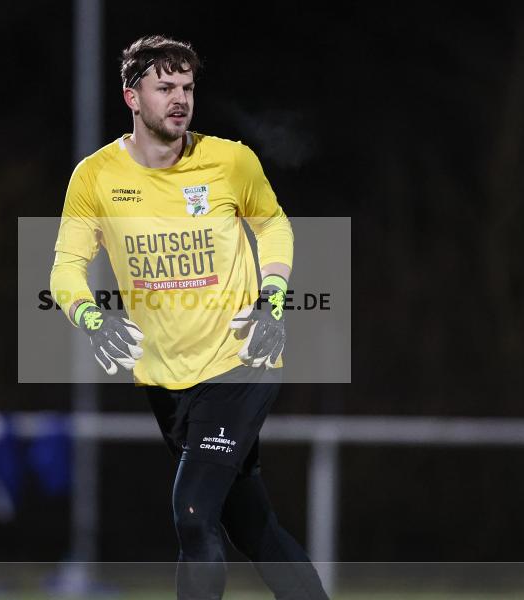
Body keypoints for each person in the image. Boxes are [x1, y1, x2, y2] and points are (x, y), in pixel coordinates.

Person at [50, 35, 328, 600]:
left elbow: (274, 225)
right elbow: (65, 268)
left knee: (193, 513)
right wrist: (91, 317)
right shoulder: (95, 177)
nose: (180, 99)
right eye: (165, 87)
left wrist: (273, 294)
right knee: (252, 527)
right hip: (168, 382)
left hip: (241, 362)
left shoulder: (230, 161)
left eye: (188, 87)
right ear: (131, 97)